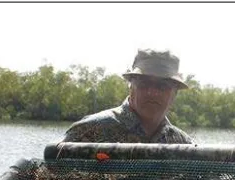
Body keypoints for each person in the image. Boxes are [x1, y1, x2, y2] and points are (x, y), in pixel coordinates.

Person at [61, 49, 194, 144]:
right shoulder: (89, 131)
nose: (152, 92)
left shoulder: (184, 146)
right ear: (130, 85)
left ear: (175, 93)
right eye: (144, 83)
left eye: (162, 86)